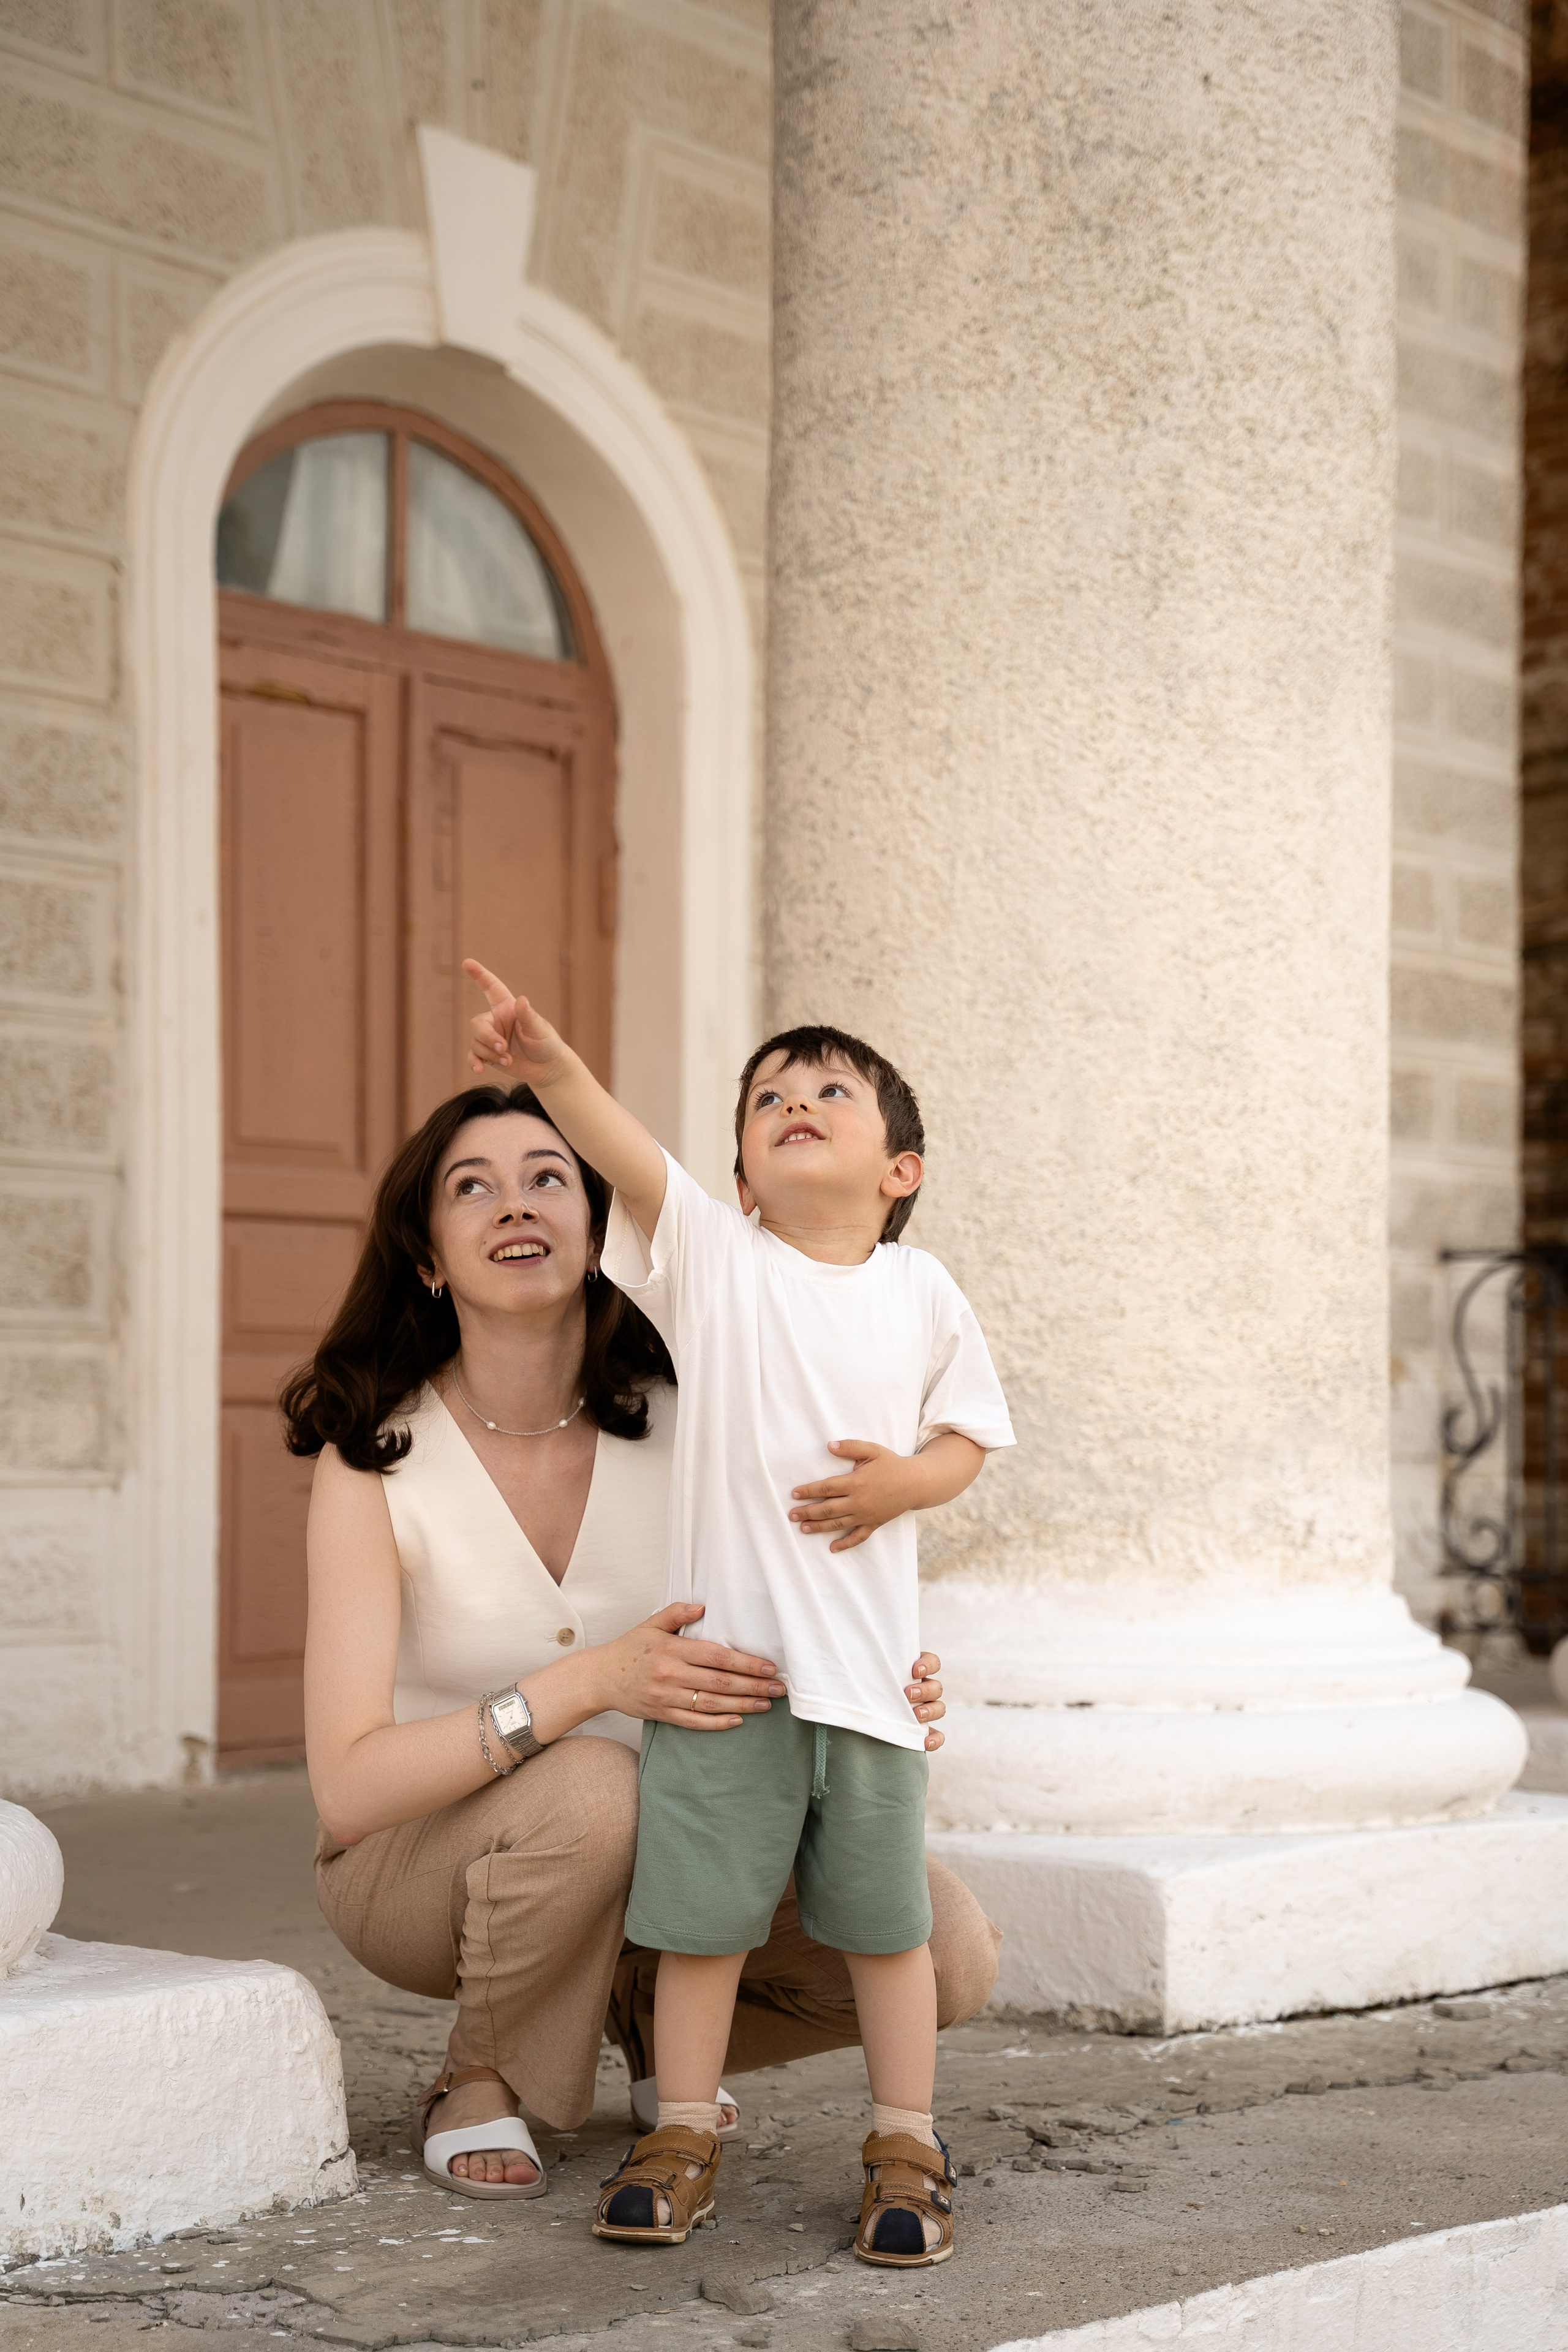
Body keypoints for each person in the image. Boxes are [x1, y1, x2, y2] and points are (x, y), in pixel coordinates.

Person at [286, 1078, 998, 2204]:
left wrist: (883, 1668)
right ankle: (480, 2074)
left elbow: (829, 1560)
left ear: (605, 1232)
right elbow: (349, 1792)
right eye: (472, 1188)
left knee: (945, 1942)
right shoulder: (374, 1459)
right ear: (428, 1255)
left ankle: (639, 2017)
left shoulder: (698, 1419)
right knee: (593, 1787)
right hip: (424, 1868)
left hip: (690, 1831)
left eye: (548, 1180)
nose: (514, 1207)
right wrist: (589, 1684)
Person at [465, 967, 1014, 2267]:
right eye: (769, 1096)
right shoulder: (722, 1264)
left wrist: (903, 1484)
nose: (796, 1102)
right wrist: (547, 1064)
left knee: (889, 1930)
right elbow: (625, 1155)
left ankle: (904, 2140)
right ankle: (682, 2131)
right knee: (701, 1924)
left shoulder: (921, 1290)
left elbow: (969, 1439)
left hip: (870, 1684)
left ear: (900, 1169)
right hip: (728, 1680)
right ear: (745, 1176)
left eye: (832, 1090)